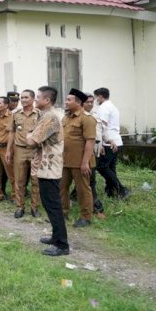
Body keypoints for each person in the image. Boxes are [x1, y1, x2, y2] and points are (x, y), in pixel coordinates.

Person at [27, 86, 69, 256]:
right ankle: (55, 236)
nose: (35, 100)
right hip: (46, 166)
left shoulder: (50, 117)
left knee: (53, 206)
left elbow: (31, 141)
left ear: (47, 100)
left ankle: (62, 245)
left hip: (50, 168)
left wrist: (29, 134)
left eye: (38, 97)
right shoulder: (45, 115)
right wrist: (31, 135)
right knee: (49, 204)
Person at [60, 89, 97, 227]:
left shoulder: (87, 119)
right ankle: (63, 213)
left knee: (83, 190)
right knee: (62, 187)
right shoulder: (66, 118)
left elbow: (90, 141)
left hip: (80, 162)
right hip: (65, 161)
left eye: (69, 100)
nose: (66, 102)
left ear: (78, 102)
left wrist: (85, 162)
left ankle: (86, 217)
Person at [6, 89, 41, 218]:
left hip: (35, 150)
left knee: (35, 180)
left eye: (26, 97)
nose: (23, 100)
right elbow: (12, 132)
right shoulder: (16, 114)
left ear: (33, 99)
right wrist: (9, 150)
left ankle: (34, 207)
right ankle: (20, 206)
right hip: (19, 150)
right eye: (22, 97)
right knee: (19, 180)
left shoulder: (39, 114)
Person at [93, 87, 129, 199]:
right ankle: (111, 192)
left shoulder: (104, 108)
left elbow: (101, 126)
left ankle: (121, 189)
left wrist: (101, 143)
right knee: (111, 168)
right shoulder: (112, 106)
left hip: (109, 142)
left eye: (95, 97)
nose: (95, 100)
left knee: (101, 166)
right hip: (117, 140)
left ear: (100, 96)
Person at [84, 95, 105, 217]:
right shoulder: (80, 117)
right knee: (90, 181)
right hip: (85, 153)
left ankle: (77, 197)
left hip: (95, 150)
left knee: (89, 179)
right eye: (87, 102)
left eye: (92, 102)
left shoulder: (95, 115)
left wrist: (102, 144)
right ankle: (96, 206)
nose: (90, 104)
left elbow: (99, 132)